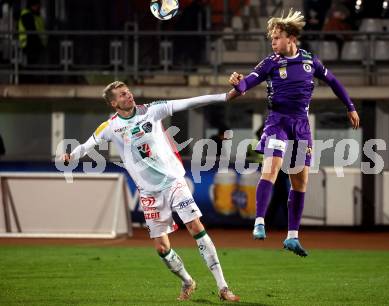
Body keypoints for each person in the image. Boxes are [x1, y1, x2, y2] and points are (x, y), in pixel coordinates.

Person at [61, 81, 240, 302]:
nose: (129, 96)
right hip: (149, 192)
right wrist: (72, 156)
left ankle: (223, 287)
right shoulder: (110, 126)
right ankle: (187, 281)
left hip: (173, 181)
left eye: (128, 92)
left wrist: (225, 96)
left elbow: (189, 102)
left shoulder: (152, 110)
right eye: (123, 95)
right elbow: (88, 144)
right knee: (162, 247)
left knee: (195, 227)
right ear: (114, 102)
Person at [228, 9, 360, 257]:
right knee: (271, 170)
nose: (273, 42)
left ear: (290, 38)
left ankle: (292, 237)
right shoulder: (270, 63)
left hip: (300, 126)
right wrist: (238, 83)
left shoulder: (310, 62)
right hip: (277, 123)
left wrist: (350, 107)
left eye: (276, 38)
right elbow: (248, 82)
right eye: (272, 39)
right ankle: (259, 221)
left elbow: (334, 82)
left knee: (300, 183)